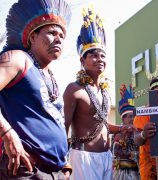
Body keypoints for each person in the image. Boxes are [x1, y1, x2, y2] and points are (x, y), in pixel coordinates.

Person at [0, 0, 72, 179]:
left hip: (55, 173)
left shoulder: (50, 75)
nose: (58, 38)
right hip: (25, 168)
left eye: (61, 35)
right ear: (32, 37)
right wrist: (7, 133)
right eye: (52, 32)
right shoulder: (18, 59)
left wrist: (64, 165)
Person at [64, 5, 133, 180]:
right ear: (82, 59)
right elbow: (62, 128)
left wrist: (122, 128)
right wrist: (63, 162)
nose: (99, 60)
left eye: (102, 56)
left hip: (106, 157)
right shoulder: (74, 90)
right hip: (82, 158)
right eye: (93, 55)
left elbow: (101, 126)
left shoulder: (104, 92)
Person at [112, 84, 140, 180]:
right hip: (122, 172)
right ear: (123, 119)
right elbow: (116, 151)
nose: (132, 119)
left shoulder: (137, 130)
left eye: (134, 116)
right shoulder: (119, 132)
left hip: (136, 171)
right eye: (130, 116)